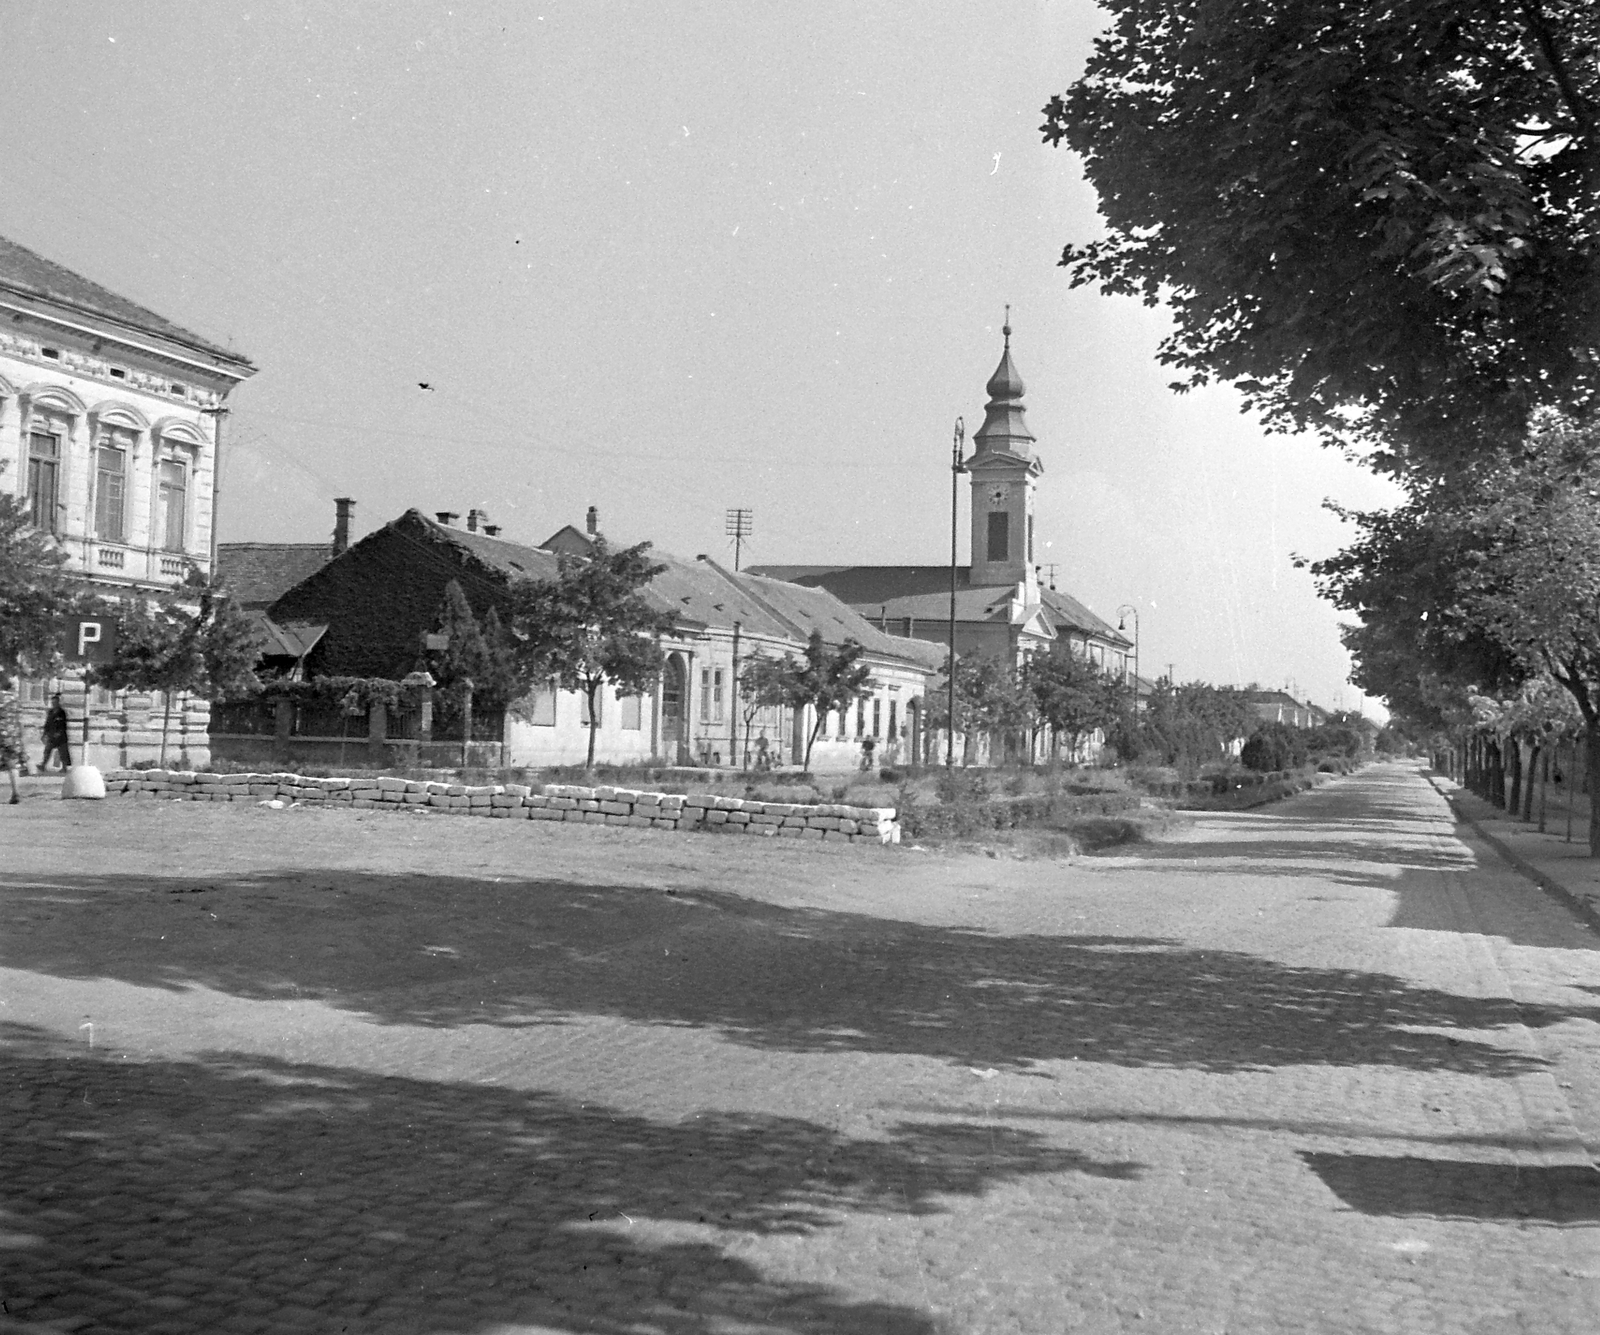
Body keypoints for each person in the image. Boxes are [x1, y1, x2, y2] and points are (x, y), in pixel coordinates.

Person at [1, 678, 23, 803]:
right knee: (12, 765)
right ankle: (16, 793)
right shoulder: (16, 700)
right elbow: (19, 720)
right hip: (13, 736)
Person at [41, 693, 71, 772]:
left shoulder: (62, 712)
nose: (54, 704)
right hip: (51, 735)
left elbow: (63, 724)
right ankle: (43, 765)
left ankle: (64, 768)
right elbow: (47, 723)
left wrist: (59, 733)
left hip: (60, 736)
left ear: (58, 703)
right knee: (47, 750)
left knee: (63, 753)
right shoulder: (50, 712)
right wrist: (44, 734)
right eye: (52, 702)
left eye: (55, 702)